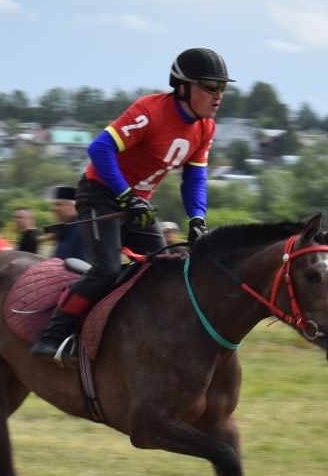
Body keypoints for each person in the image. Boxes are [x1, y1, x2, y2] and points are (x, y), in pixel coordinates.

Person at [31, 47, 224, 363]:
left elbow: (195, 179)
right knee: (106, 269)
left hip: (139, 206)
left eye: (222, 88)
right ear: (184, 87)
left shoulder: (206, 128)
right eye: (210, 87)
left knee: (164, 271)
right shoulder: (151, 110)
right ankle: (50, 337)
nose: (218, 96)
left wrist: (197, 219)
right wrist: (124, 194)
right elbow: (100, 148)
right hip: (100, 194)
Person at [49, 185, 86, 266]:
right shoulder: (65, 228)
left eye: (59, 204)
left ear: (73, 206)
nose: (54, 209)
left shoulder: (81, 230)